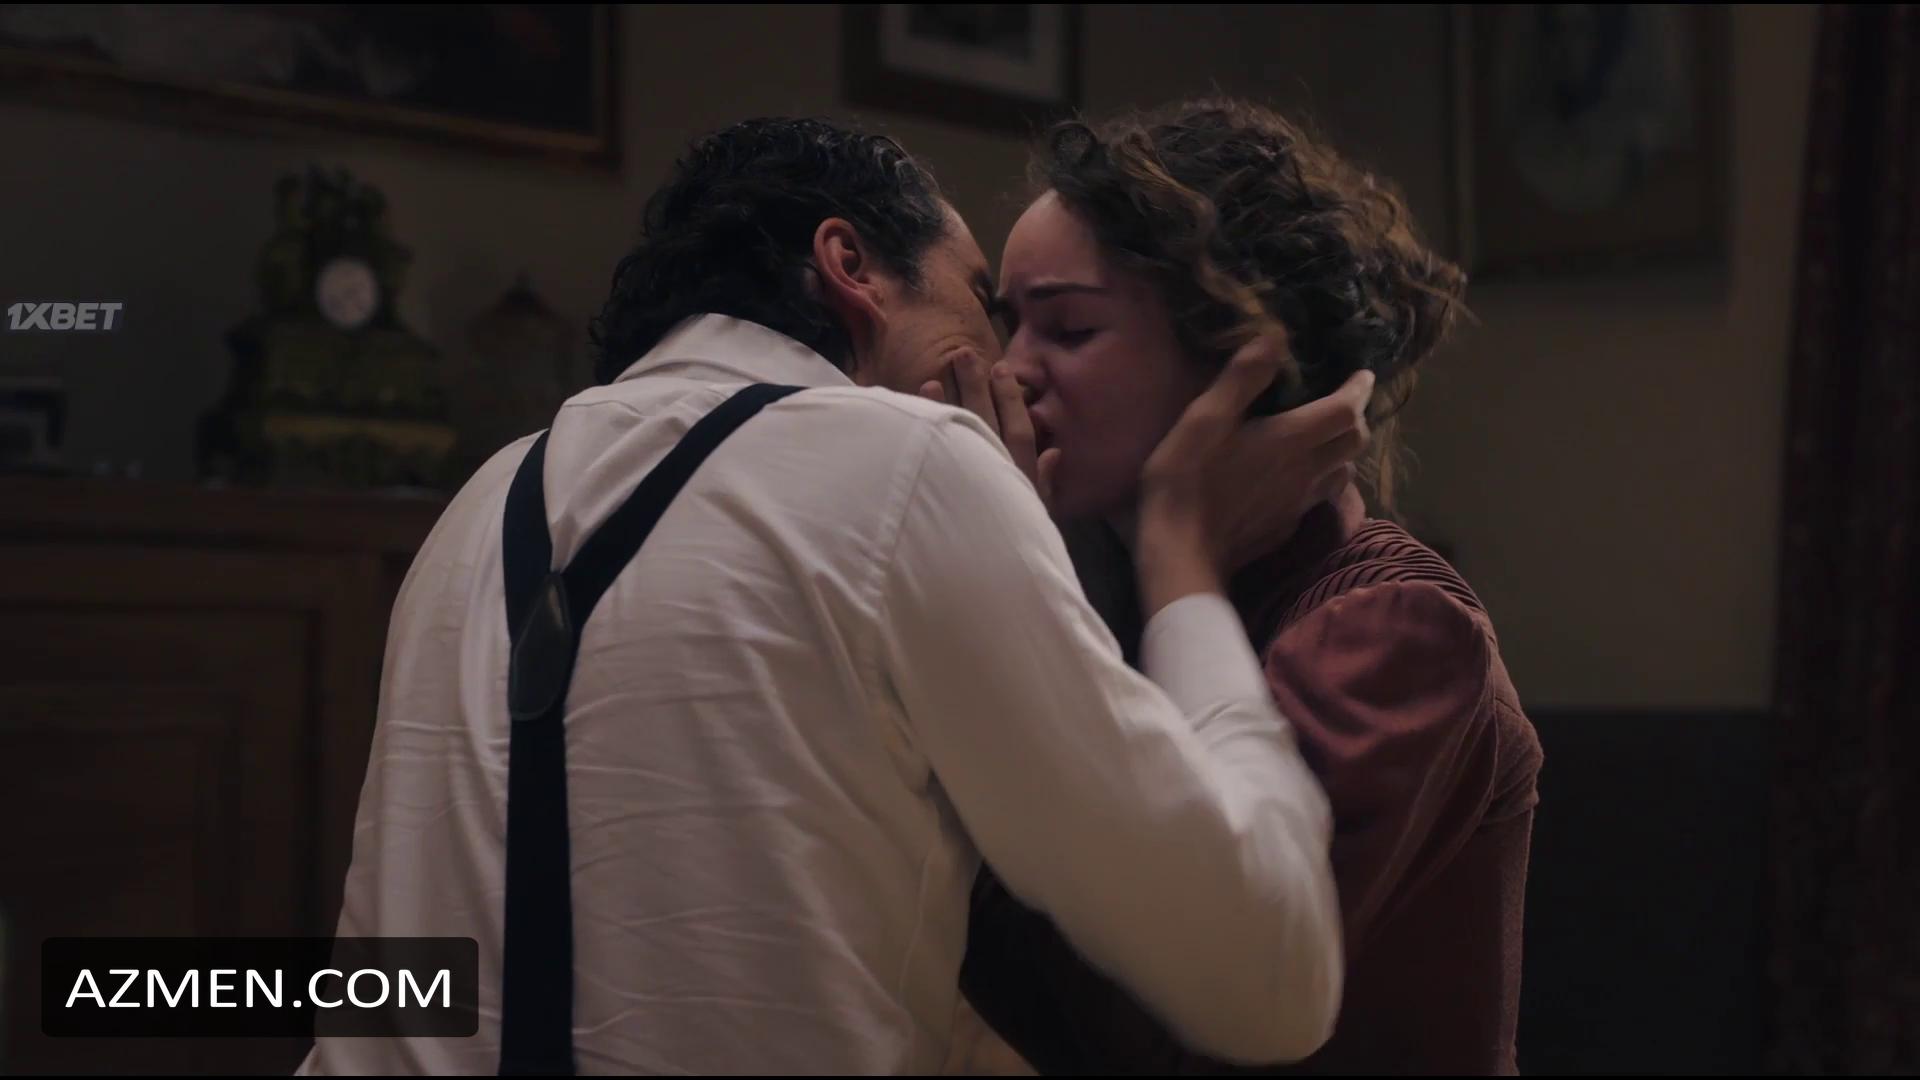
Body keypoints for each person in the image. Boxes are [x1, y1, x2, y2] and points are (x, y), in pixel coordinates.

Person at [298, 116, 1377, 1075]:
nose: (1006, 368)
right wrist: (1181, 553)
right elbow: (1269, 978)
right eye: (980, 303)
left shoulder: (484, 499)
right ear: (851, 266)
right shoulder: (912, 461)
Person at [942, 99, 1545, 1075]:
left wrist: (1168, 544)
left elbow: (1154, 1033)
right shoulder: (1105, 588)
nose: (1012, 374)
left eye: (1070, 328)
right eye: (1009, 329)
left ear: (1239, 362)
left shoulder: (1395, 628)